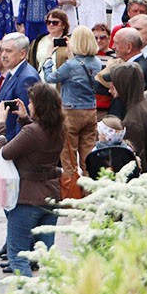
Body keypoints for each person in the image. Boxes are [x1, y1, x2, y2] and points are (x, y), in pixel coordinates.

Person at [0, 83, 65, 277]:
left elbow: (5, 152)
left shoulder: (32, 131)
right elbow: (35, 144)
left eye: (31, 102)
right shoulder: (59, 129)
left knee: (18, 255)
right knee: (45, 255)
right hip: (51, 196)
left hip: (28, 198)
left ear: (39, 106)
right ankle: (49, 292)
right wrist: (26, 119)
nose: (29, 104)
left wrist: (0, 125)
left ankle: (28, 292)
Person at [41, 26, 101, 194]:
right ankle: (90, 192)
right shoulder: (96, 62)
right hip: (90, 111)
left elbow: (50, 78)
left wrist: (48, 57)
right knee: (88, 157)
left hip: (71, 112)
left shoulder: (71, 65)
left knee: (68, 159)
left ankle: (71, 194)